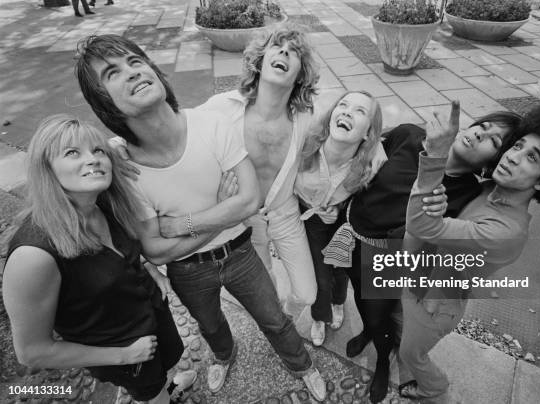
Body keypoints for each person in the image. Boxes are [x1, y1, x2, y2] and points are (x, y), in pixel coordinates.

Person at [74, 34, 327, 400]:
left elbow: (249, 199)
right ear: (104, 101)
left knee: (274, 317)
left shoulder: (216, 124)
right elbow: (157, 252)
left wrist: (182, 226)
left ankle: (303, 364)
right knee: (210, 325)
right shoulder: (125, 165)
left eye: (135, 61)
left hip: (242, 249)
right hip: (190, 270)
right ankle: (224, 356)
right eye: (113, 72)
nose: (132, 72)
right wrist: (223, 214)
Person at [397, 102, 540, 403]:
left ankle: (434, 388)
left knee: (411, 353)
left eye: (531, 158)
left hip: (436, 306)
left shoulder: (504, 231)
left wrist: (435, 155)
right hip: (423, 282)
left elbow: (420, 224)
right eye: (517, 145)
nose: (512, 156)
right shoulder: (491, 188)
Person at [323, 108, 523, 402]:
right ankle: (368, 330)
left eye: (493, 141)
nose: (481, 133)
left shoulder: (466, 195)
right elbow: (366, 162)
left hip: (385, 260)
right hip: (349, 234)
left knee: (379, 316)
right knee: (359, 298)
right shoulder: (408, 135)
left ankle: (381, 361)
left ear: (490, 165)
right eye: (484, 125)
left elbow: (442, 241)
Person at [2, 115, 196, 404]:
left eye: (98, 151)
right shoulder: (34, 255)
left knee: (163, 373)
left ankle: (166, 385)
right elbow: (32, 351)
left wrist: (143, 264)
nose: (93, 159)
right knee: (151, 394)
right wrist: (123, 356)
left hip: (152, 318)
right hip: (124, 353)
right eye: (72, 153)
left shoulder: (104, 203)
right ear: (47, 170)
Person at [199, 24, 321, 308]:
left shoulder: (308, 119)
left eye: (293, 52)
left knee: (306, 294)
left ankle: (287, 315)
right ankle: (277, 316)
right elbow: (180, 126)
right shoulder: (223, 108)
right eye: (277, 47)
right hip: (244, 216)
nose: (284, 52)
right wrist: (120, 144)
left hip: (285, 213)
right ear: (260, 60)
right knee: (266, 286)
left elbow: (344, 142)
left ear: (301, 74)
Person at [295, 90, 385, 346]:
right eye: (343, 105)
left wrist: (342, 211)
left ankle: (338, 301)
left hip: (346, 221)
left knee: (340, 269)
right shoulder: (306, 143)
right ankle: (319, 315)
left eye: (360, 111)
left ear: (368, 132)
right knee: (319, 276)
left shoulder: (373, 163)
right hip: (310, 221)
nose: (347, 111)